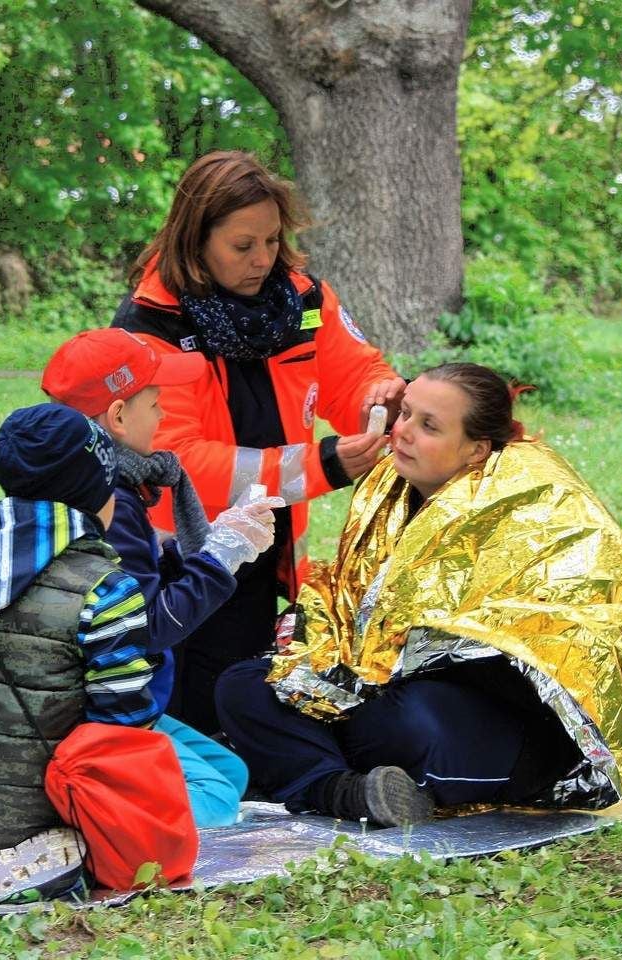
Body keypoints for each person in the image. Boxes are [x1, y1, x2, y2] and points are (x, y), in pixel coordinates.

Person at [215, 363, 622, 826]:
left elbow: (580, 633)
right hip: (387, 692)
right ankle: (340, 790)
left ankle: (302, 768)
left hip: (509, 720)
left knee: (404, 724)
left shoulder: (535, 501)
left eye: (428, 426)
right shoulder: (389, 483)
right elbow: (354, 603)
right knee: (244, 686)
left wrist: (412, 656)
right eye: (405, 413)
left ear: (477, 450)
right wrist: (322, 648)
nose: (403, 432)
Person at [112, 150, 405, 734]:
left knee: (243, 686)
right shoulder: (150, 326)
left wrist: (381, 394)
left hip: (265, 541)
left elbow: (348, 377)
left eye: (272, 241)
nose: (262, 259)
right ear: (195, 240)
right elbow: (180, 460)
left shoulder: (303, 300)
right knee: (193, 708)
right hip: (185, 553)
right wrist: (319, 466)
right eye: (242, 246)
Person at [0, 405, 161, 910]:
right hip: (38, 818)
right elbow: (123, 723)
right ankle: (29, 867)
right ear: (99, 495)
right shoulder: (107, 588)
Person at [41, 327, 283, 828]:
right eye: (155, 402)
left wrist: (181, 551)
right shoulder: (116, 500)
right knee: (216, 797)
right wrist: (220, 557)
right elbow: (147, 627)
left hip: (87, 698)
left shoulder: (76, 480)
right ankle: (89, 813)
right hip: (96, 707)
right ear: (119, 417)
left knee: (228, 771)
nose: (164, 413)